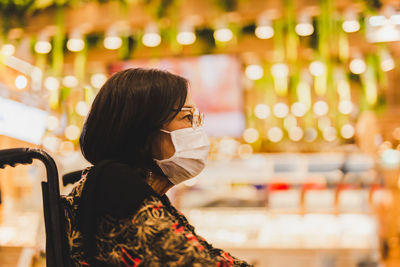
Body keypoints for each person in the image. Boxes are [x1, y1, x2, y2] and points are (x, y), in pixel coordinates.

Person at [62, 68, 252, 266]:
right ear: (144, 127)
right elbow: (193, 261)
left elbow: (205, 252)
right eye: (187, 117)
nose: (197, 129)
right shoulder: (115, 186)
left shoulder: (139, 190)